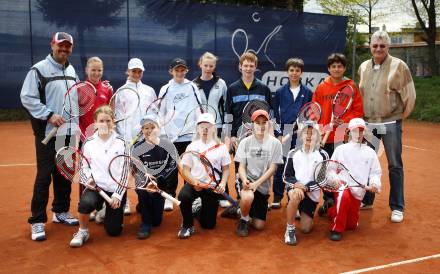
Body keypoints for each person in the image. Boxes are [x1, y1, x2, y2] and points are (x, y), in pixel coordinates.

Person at [20, 32, 79, 241]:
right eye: (60, 45)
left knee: (64, 175)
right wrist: (48, 115)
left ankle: (60, 212)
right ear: (52, 45)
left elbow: (77, 98)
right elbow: (27, 97)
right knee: (44, 177)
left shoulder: (72, 70)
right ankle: (37, 221)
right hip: (48, 133)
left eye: (68, 46)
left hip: (69, 133)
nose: (64, 49)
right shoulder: (38, 69)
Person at [358, 30, 416, 223]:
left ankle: (397, 206)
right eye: (375, 45)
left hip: (391, 122)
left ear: (388, 47)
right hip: (369, 124)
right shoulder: (364, 66)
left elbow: (410, 96)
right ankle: (367, 199)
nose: (378, 49)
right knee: (367, 163)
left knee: (394, 165)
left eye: (382, 46)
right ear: (370, 47)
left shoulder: (400, 66)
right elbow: (361, 94)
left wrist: (399, 120)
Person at [222, 51, 273, 218]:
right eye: (245, 65)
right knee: (241, 170)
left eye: (251, 65)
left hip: (260, 137)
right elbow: (228, 115)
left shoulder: (264, 88)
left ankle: (260, 201)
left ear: (256, 67)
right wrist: (232, 137)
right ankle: (242, 203)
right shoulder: (232, 88)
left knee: (261, 168)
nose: (248, 68)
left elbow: (269, 115)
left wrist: (269, 135)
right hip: (240, 139)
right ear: (240, 67)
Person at [312, 53, 364, 216]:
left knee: (342, 170)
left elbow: (358, 111)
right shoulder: (321, 87)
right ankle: (329, 200)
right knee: (326, 169)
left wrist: (346, 121)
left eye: (339, 66)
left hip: (343, 136)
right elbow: (315, 111)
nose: (336, 69)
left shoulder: (351, 86)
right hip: (325, 136)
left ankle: (342, 199)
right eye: (333, 66)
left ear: (344, 68)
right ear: (328, 69)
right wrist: (321, 130)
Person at [69, 106, 128, 247]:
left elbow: (125, 172)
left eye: (108, 120)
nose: (105, 124)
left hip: (114, 190)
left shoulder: (122, 143)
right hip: (96, 188)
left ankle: (104, 211)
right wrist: (88, 180)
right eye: (101, 120)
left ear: (113, 121)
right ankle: (82, 231)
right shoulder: (88, 144)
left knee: (114, 231)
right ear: (95, 122)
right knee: (85, 204)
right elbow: (83, 168)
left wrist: (118, 195)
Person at [158, 58, 202, 211]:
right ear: (171, 71)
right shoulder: (165, 88)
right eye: (177, 69)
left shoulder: (192, 87)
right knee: (171, 168)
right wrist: (163, 133)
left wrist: (198, 131)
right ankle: (170, 197)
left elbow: (199, 109)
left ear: (186, 71)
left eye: (182, 69)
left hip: (189, 136)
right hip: (171, 137)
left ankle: (190, 197)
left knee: (189, 167)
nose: (180, 72)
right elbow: (160, 112)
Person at [327, 118, 381, 241]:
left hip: (358, 193)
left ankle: (331, 210)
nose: (358, 134)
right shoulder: (340, 149)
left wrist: (374, 183)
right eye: (355, 131)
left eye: (361, 131)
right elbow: (330, 169)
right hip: (342, 186)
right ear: (349, 132)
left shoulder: (370, 152)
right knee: (343, 197)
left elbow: (375, 172)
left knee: (351, 226)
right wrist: (335, 179)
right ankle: (336, 229)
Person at [177, 113, 231, 239]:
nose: (205, 129)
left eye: (208, 126)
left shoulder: (221, 147)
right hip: (195, 184)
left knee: (209, 225)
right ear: (197, 129)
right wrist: (194, 182)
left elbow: (226, 169)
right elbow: (186, 170)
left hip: (211, 186)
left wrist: (222, 184)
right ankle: (187, 225)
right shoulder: (191, 146)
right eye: (202, 126)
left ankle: (197, 209)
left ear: (214, 129)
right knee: (183, 196)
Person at [116, 57, 157, 215]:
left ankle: (143, 203)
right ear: (128, 71)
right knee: (125, 172)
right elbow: (118, 116)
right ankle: (124, 201)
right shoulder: (121, 91)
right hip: (128, 138)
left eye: (139, 71)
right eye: (134, 71)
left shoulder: (149, 90)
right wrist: (123, 137)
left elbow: (153, 113)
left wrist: (149, 132)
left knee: (143, 171)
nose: (137, 73)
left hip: (145, 138)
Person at [271, 58, 313, 209]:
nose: (294, 73)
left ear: (301, 72)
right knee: (280, 166)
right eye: (291, 70)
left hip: (301, 134)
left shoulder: (308, 92)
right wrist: (279, 134)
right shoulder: (280, 92)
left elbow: (309, 115)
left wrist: (303, 128)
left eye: (297, 70)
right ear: (287, 72)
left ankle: (292, 196)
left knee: (296, 165)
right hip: (284, 133)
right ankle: (276, 197)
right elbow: (275, 115)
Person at [234, 110, 283, 237]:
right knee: (248, 197)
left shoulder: (275, 143)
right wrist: (244, 180)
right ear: (252, 125)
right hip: (248, 179)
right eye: (257, 123)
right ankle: (244, 219)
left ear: (269, 124)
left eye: (264, 123)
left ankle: (240, 210)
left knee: (259, 226)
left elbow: (272, 169)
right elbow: (241, 167)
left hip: (262, 185)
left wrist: (257, 183)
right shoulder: (245, 142)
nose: (261, 126)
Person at [131, 114, 179, 239]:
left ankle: (145, 206)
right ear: (142, 130)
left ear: (158, 128)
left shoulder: (167, 145)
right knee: (143, 192)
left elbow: (173, 166)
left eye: (152, 127)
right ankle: (145, 223)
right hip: (145, 183)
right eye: (146, 128)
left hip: (161, 184)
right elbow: (135, 169)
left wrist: (158, 179)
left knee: (157, 222)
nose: (149, 130)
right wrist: (146, 178)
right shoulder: (136, 148)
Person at [79, 56, 113, 223]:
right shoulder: (79, 89)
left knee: (104, 171)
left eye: (99, 70)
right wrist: (83, 136)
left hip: (103, 139)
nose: (96, 72)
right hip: (85, 139)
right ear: (86, 70)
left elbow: (109, 113)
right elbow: (77, 115)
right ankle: (86, 208)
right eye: (93, 69)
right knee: (86, 174)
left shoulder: (107, 89)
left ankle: (101, 207)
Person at [193, 52, 229, 208]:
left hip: (217, 126)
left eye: (211, 66)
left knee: (219, 161)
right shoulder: (193, 84)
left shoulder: (221, 84)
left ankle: (221, 193)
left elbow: (226, 106)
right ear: (200, 64)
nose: (208, 68)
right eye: (205, 65)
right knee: (200, 160)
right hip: (200, 128)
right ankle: (198, 194)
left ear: (214, 66)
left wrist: (226, 130)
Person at [283, 121, 328, 245]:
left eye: (312, 133)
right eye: (305, 133)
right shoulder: (292, 153)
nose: (308, 136)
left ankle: (300, 212)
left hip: (311, 194)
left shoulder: (323, 155)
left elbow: (322, 179)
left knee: (305, 229)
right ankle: (290, 229)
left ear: (318, 137)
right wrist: (296, 185)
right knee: (295, 195)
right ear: (300, 136)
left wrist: (306, 188)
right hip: (295, 189)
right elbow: (286, 176)